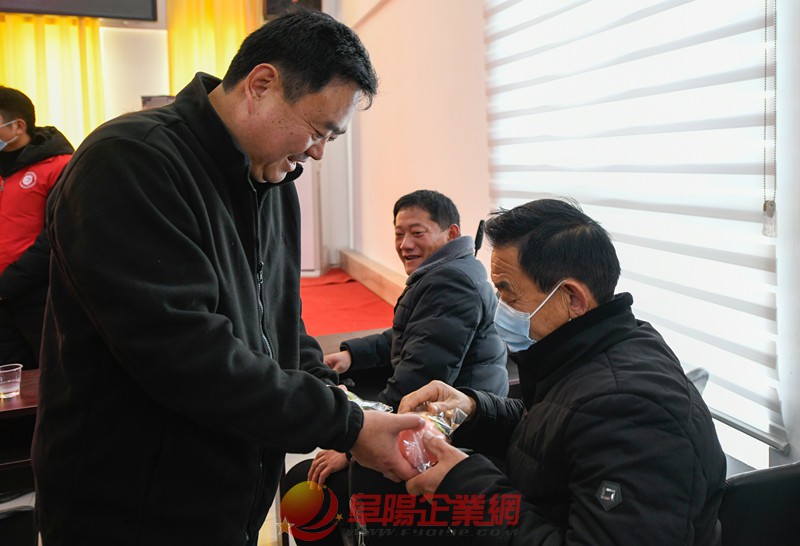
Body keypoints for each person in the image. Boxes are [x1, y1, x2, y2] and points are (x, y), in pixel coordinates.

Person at [31, 10, 426, 546]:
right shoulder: (130, 162)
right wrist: (348, 427)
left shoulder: (273, 183)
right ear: (261, 85)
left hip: (227, 498)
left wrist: (340, 397)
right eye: (318, 131)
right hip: (130, 507)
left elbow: (280, 325)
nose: (316, 153)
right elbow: (187, 354)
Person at [397, 198, 727, 545]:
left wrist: (466, 488)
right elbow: (558, 427)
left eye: (509, 295)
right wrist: (475, 411)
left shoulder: (630, 411)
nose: (499, 310)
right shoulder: (602, 348)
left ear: (572, 298)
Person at [284, 189, 509, 545]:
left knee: (304, 488)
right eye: (399, 234)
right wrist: (352, 355)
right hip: (435, 418)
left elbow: (418, 379)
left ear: (451, 233)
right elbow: (411, 335)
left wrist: (353, 441)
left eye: (417, 233)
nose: (405, 244)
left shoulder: (451, 283)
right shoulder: (449, 272)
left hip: (450, 433)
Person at [0, 87, 73, 369]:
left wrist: (9, 283)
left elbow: (57, 235)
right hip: (3, 302)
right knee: (9, 382)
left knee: (49, 372)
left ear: (18, 126)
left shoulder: (59, 165)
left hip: (39, 295)